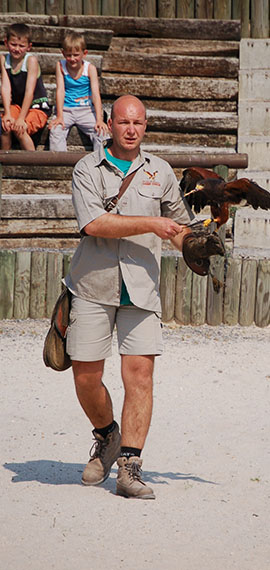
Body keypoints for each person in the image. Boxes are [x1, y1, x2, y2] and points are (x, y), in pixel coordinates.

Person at [64, 95, 211, 500]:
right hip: (92, 286)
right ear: (109, 123)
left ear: (146, 127)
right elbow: (94, 223)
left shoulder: (160, 171)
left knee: (140, 377)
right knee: (86, 377)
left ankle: (129, 466)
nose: (131, 129)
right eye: (124, 122)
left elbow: (179, 226)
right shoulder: (86, 169)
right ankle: (107, 435)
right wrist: (154, 223)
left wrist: (195, 243)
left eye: (139, 123)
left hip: (142, 287)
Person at [49, 31, 107, 152]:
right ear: (63, 53)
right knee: (56, 131)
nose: (72, 59)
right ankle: (60, 164)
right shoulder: (61, 66)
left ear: (84, 53)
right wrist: (59, 116)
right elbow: (60, 90)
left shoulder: (90, 69)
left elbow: (95, 94)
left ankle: (101, 162)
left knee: (101, 132)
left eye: (76, 55)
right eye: (68, 55)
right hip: (66, 109)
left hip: (86, 109)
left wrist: (99, 119)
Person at [0, 23, 51, 151]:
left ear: (29, 47)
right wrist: (7, 113)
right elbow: (5, 87)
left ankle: (32, 165)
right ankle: (4, 162)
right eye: (13, 44)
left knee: (20, 129)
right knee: (5, 125)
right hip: (17, 105)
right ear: (6, 43)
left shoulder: (30, 61)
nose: (17, 49)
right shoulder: (3, 59)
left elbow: (30, 91)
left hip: (37, 107)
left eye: (21, 46)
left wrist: (21, 119)